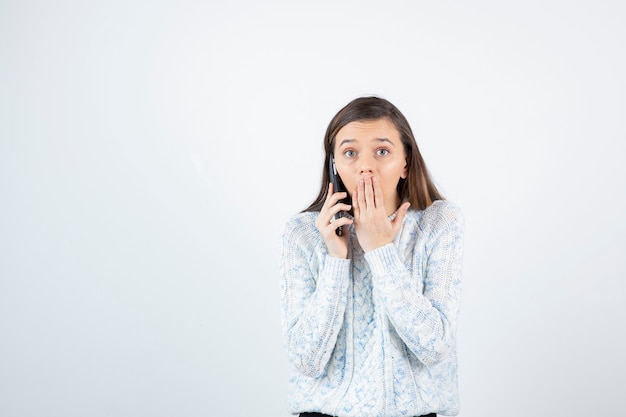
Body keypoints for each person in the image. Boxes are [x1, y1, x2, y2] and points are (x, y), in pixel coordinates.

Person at [279, 96, 464, 417]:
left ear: (406, 162)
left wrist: (380, 250)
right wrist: (336, 259)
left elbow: (434, 347)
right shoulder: (302, 233)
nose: (366, 165)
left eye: (382, 151)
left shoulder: (440, 222)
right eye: (350, 153)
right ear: (334, 165)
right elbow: (306, 360)